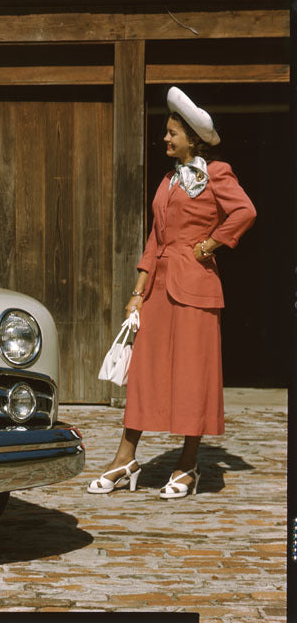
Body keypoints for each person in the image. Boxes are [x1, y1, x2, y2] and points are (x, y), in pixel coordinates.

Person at [88, 86, 256, 499]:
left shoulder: (216, 173)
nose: (165, 139)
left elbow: (245, 211)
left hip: (197, 286)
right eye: (166, 133)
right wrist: (137, 290)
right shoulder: (167, 179)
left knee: (193, 376)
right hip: (159, 288)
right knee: (145, 373)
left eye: (171, 133)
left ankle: (187, 465)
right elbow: (155, 238)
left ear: (193, 139)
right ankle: (125, 457)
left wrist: (210, 245)